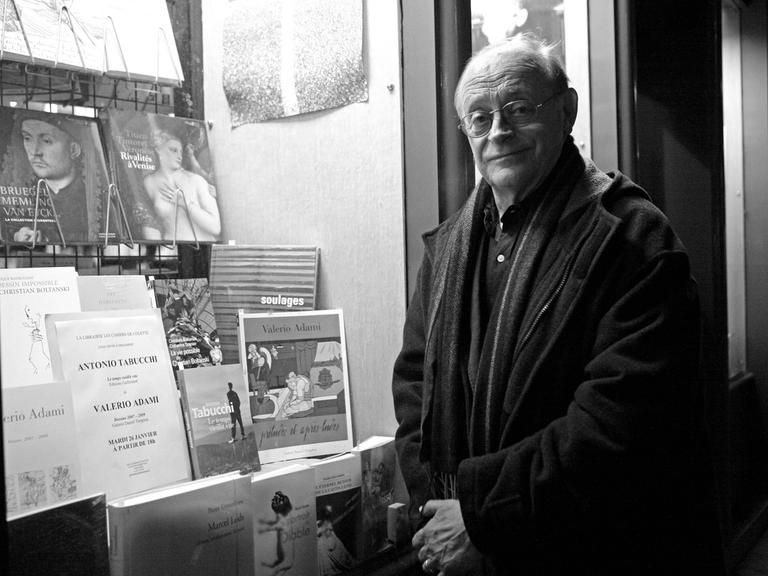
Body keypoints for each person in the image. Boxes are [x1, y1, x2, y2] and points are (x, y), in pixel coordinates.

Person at [391, 34, 725, 576]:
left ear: (567, 110)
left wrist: (482, 518)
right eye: (479, 117)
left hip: (599, 552)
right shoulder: (448, 247)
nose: (499, 130)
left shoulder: (631, 238)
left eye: (519, 108)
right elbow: (412, 387)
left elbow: (620, 425)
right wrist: (442, 510)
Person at [11, 114, 92, 244]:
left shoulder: (93, 200)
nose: (35, 151)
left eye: (47, 141)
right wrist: (16, 236)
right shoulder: (23, 195)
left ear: (73, 150)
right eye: (27, 138)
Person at [143, 128, 221, 242]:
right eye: (173, 150)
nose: (179, 156)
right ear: (158, 150)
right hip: (169, 250)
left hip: (199, 249)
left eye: (180, 152)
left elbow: (215, 227)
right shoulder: (149, 182)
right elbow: (150, 220)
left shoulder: (195, 180)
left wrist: (186, 204)